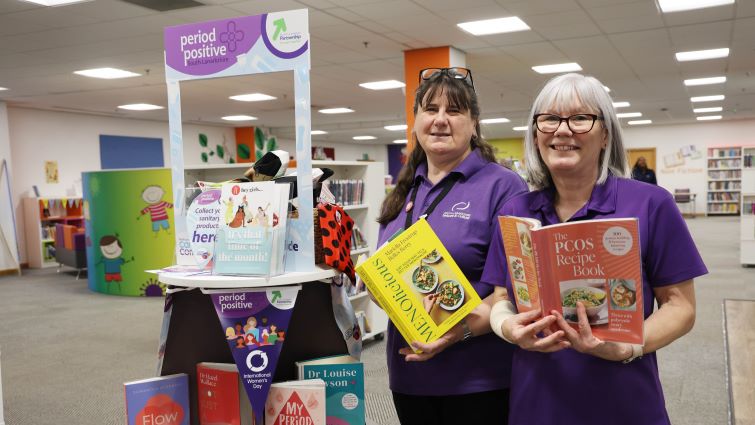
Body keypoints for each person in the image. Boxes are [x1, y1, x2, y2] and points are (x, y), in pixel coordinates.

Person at [482, 73, 707, 425]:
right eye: (549, 118)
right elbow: (501, 297)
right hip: (537, 399)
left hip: (623, 398)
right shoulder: (515, 211)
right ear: (536, 133)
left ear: (605, 135)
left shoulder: (650, 204)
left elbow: (681, 307)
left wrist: (626, 348)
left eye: (580, 118)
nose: (562, 130)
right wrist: (507, 327)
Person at [375, 67, 527, 424]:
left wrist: (457, 332)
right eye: (430, 110)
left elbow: (520, 290)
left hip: (478, 379)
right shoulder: (405, 190)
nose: (440, 120)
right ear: (415, 122)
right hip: (408, 376)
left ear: (474, 123)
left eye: (454, 111)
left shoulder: (503, 187)